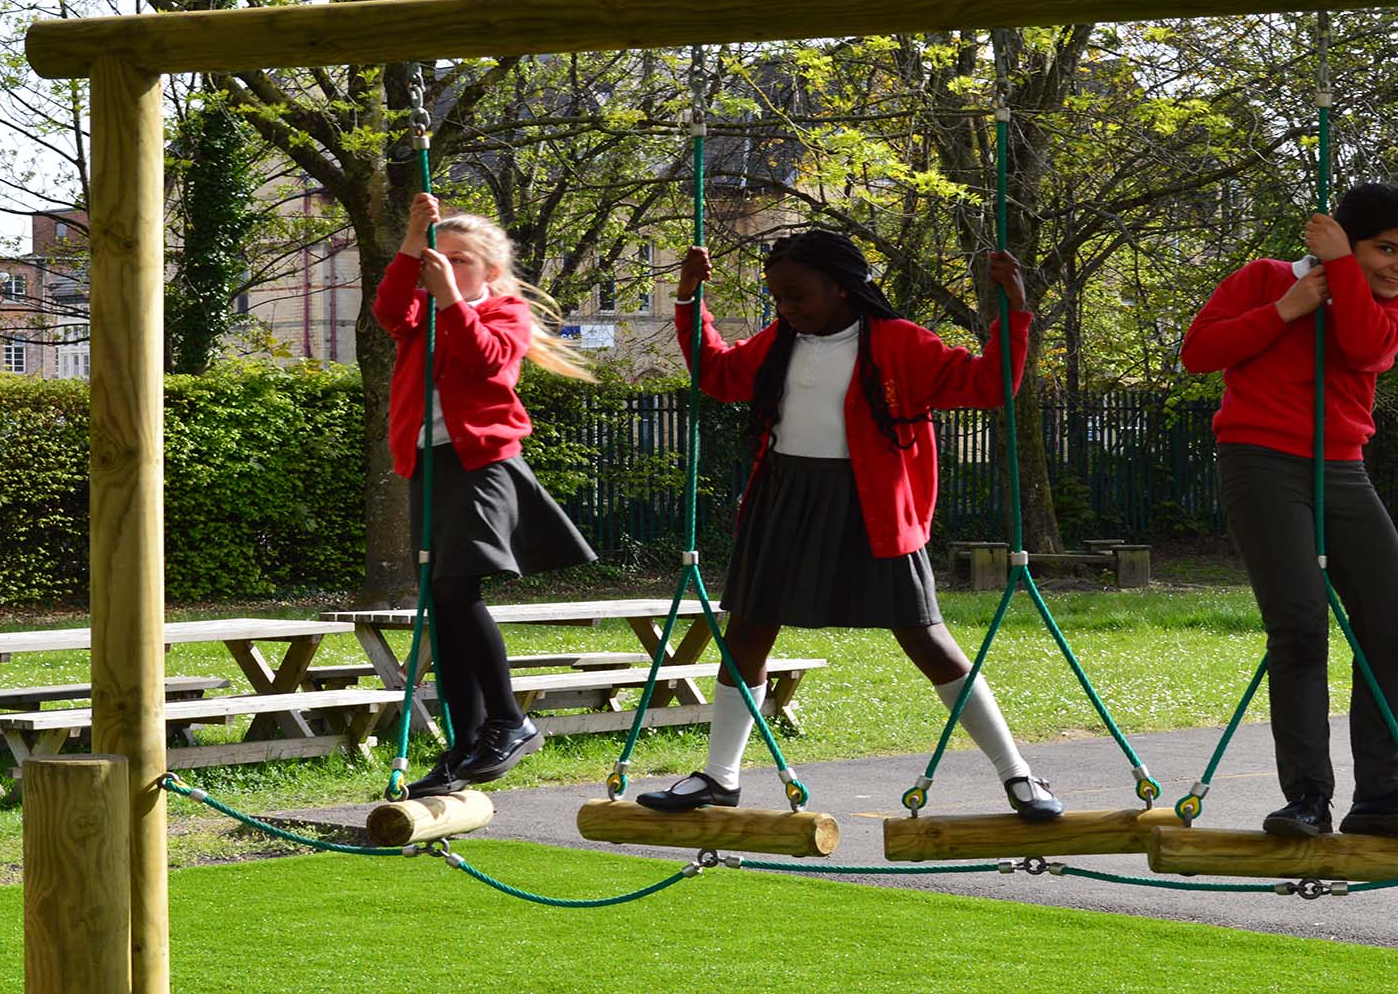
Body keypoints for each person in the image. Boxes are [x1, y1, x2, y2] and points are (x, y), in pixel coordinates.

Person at [636, 229, 1062, 821]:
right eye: (777, 298)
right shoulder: (780, 341)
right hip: (784, 498)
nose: (786, 308)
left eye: (797, 295)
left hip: (874, 507)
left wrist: (1013, 312)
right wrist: (688, 301)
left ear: (841, 287)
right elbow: (719, 374)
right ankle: (719, 776)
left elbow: (990, 386)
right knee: (747, 638)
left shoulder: (901, 343)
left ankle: (1018, 773)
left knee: (927, 640)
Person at [1179, 181, 1398, 840]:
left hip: (1343, 470)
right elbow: (1198, 354)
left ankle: (1381, 795)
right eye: (1386, 248)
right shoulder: (1263, 280)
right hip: (1261, 463)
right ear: (1348, 239)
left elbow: (1363, 346)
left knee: (1395, 624)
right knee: (1300, 626)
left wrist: (1339, 271)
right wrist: (1287, 307)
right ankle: (1307, 799)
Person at [374, 193, 599, 798]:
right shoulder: (423, 312)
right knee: (442, 602)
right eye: (435, 256)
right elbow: (389, 310)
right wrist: (409, 240)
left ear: (489, 272)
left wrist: (451, 299)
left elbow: (486, 364)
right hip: (430, 466)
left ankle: (509, 719)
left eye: (458, 259)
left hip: (482, 465)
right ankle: (467, 741)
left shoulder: (502, 313)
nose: (440, 266)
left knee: (456, 588)